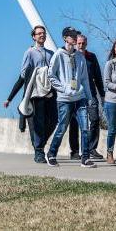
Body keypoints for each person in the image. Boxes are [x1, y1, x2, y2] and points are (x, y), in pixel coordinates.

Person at [4, 25, 57, 163]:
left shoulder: (51, 53)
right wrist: (38, 72)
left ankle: (39, 144)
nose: (42, 35)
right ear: (34, 36)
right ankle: (38, 152)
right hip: (36, 92)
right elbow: (23, 74)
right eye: (39, 33)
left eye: (43, 33)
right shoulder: (29, 52)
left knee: (54, 120)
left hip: (49, 92)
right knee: (38, 122)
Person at [46, 27, 96, 168]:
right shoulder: (58, 54)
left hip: (80, 98)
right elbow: (51, 75)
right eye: (72, 35)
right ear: (65, 38)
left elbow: (85, 78)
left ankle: (85, 158)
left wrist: (90, 96)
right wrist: (64, 88)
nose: (75, 38)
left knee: (85, 128)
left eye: (76, 35)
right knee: (62, 127)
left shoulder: (80, 57)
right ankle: (51, 154)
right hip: (64, 99)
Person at [68, 34, 106, 160]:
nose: (81, 45)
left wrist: (102, 95)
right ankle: (74, 151)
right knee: (74, 122)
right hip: (75, 94)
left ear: (86, 43)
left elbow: (98, 77)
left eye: (83, 43)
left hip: (90, 94)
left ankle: (91, 148)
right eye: (79, 43)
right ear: (75, 43)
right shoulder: (71, 56)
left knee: (95, 119)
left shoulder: (91, 57)